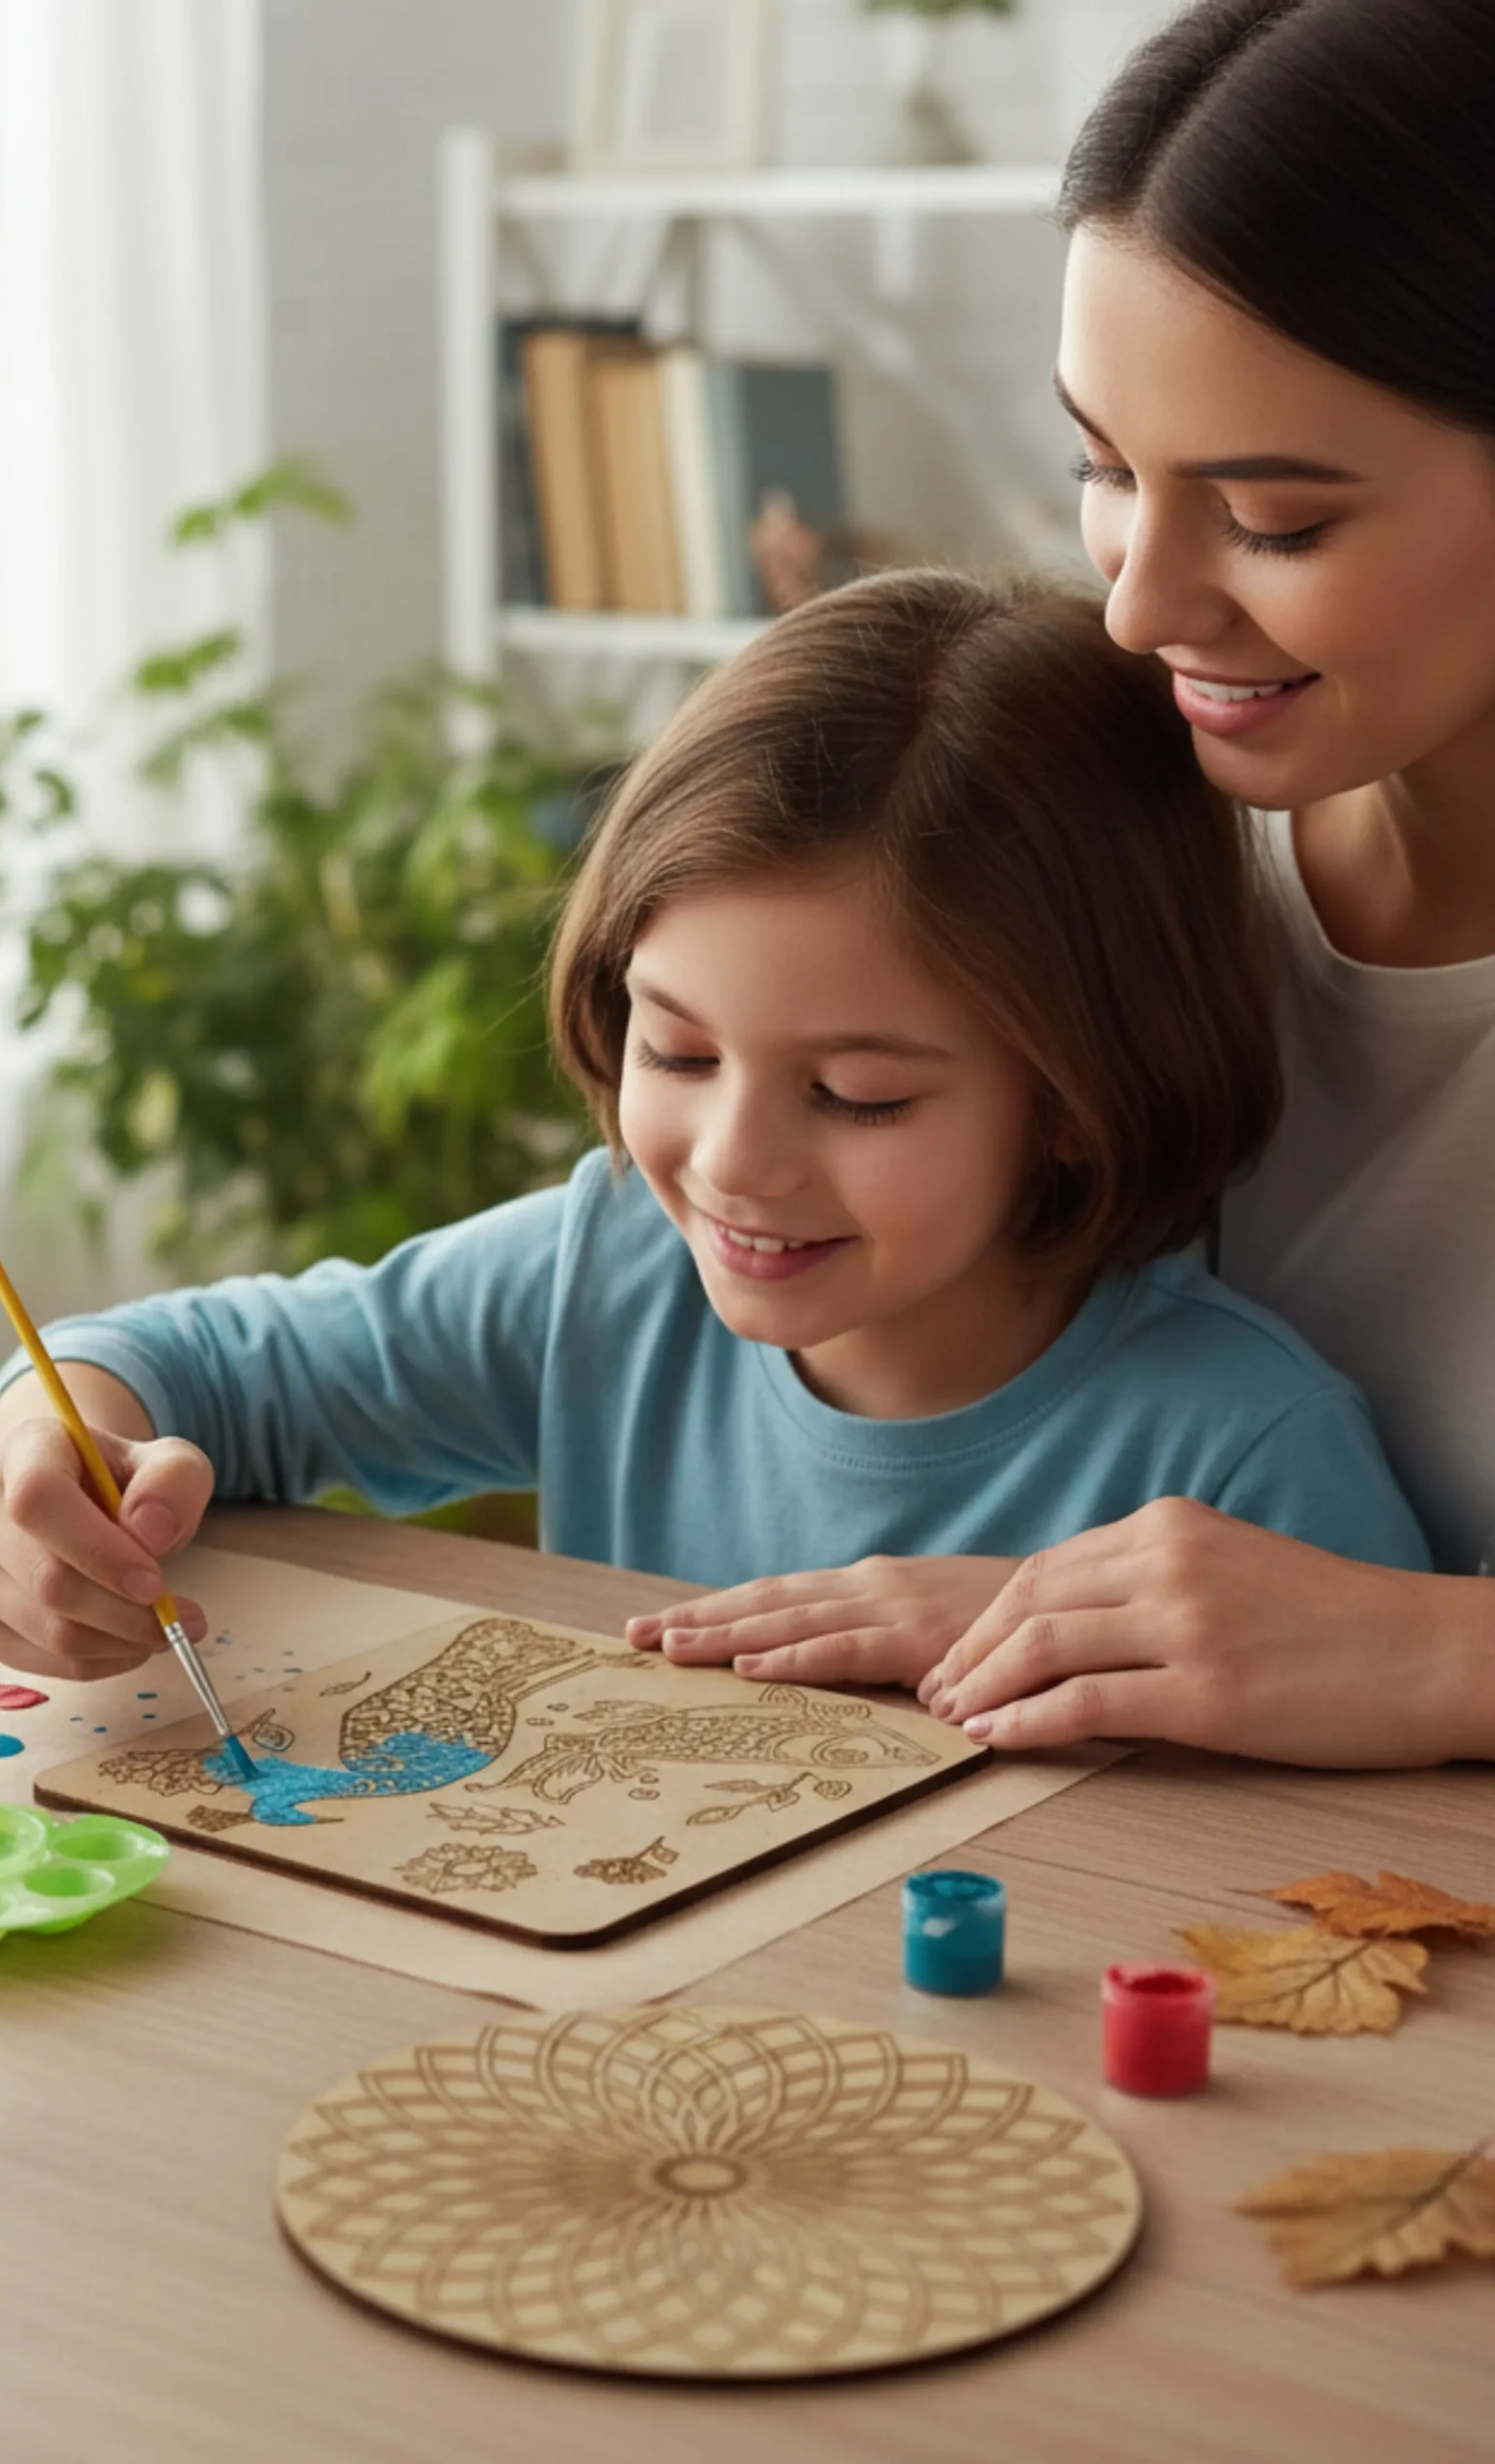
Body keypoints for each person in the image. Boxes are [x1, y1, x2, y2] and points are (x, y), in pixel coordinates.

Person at [0, 570, 1428, 1690]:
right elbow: (188, 1366)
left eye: (858, 1096)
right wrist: (52, 1451)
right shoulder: (612, 1269)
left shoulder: (1251, 1460)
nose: (733, 1162)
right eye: (677, 1048)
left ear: (1077, 1092)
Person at [638, 0, 1495, 1767]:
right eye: (1106, 469)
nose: (1135, 606)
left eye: (1274, 520)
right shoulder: (1108, 844)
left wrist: (1430, 1654)